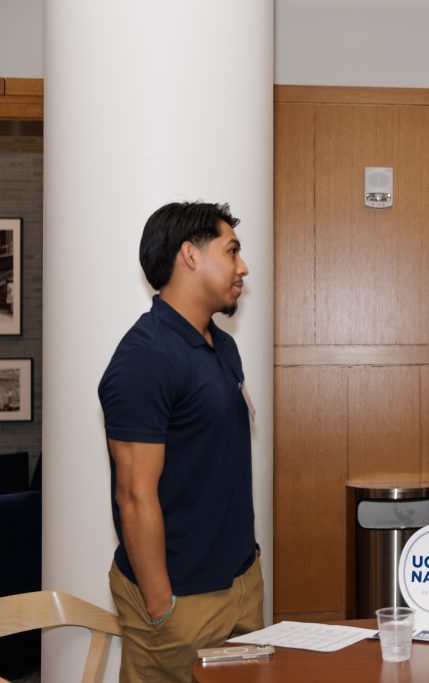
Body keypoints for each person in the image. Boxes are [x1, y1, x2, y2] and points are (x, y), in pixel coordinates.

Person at [99, 201, 263, 683]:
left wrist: (246, 574)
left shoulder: (222, 344)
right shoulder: (145, 359)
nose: (243, 266)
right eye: (232, 251)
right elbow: (133, 494)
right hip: (180, 603)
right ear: (189, 256)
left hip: (239, 586)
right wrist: (159, 605)